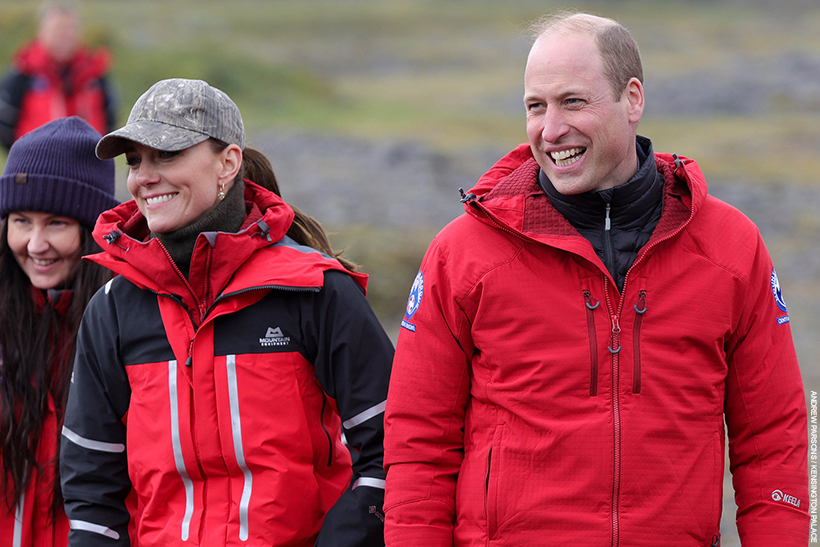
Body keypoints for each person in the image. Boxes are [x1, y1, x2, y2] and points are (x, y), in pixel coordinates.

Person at [383, 11, 808, 547]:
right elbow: (417, 443)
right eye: (536, 106)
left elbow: (774, 439)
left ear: (633, 99)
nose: (551, 129)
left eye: (573, 102)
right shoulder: (464, 252)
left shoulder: (731, 247)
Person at [60, 78, 393, 546]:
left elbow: (389, 452)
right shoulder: (111, 310)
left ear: (228, 163)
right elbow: (91, 487)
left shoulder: (317, 290)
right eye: (135, 161)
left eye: (166, 155)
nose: (142, 177)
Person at [0, 116, 118, 547]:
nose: (34, 244)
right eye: (21, 221)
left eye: (56, 223)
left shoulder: (129, 331)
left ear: (92, 233)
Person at [0, 2, 117, 151]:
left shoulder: (95, 75)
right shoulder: (24, 73)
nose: (64, 35)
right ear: (41, 31)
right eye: (57, 29)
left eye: (70, 29)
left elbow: (110, 119)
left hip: (87, 166)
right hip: (36, 166)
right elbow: (4, 125)